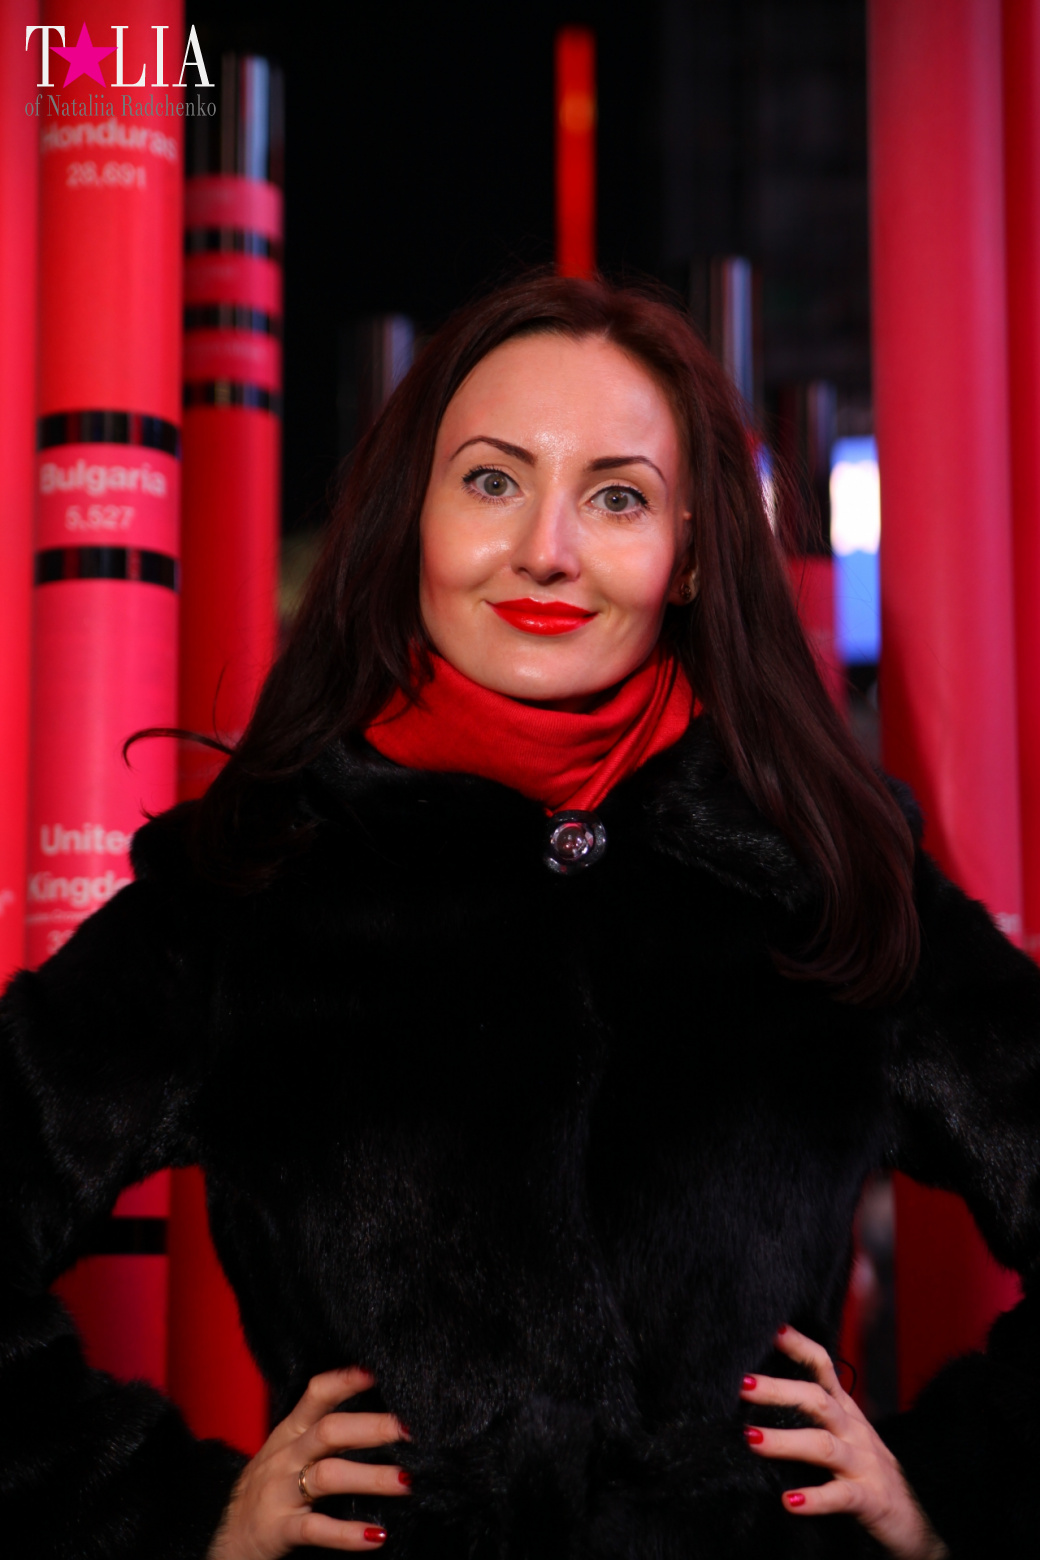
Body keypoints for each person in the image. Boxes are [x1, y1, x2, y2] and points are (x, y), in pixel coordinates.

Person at [2, 274, 1038, 1560]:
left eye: (616, 496)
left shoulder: (820, 873)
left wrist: (953, 1490)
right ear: (411, 519)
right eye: (492, 481)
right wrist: (169, 1516)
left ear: (694, 552)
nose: (545, 547)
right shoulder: (252, 886)